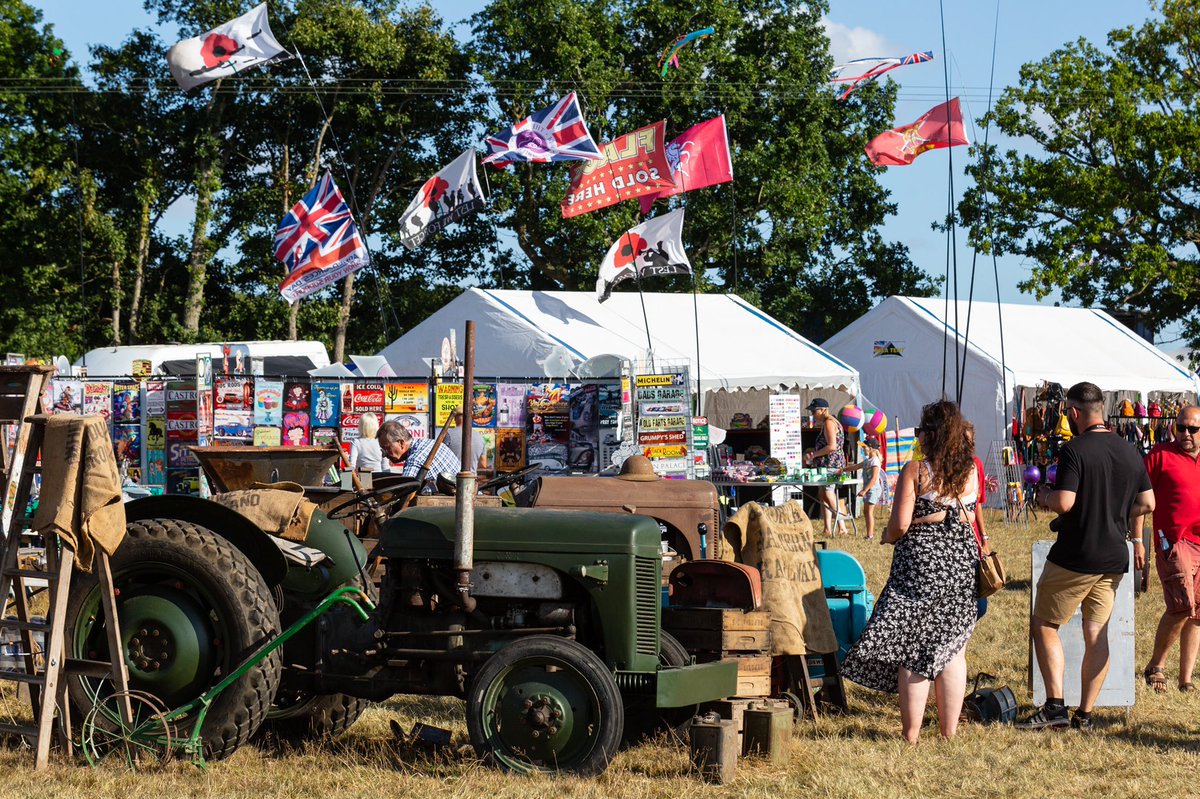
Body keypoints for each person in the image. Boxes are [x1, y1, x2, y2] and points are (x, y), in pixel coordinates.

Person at [1018, 382, 1154, 731]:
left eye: (1066, 411)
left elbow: (1064, 501)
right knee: (1098, 634)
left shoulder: (1074, 450)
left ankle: (1055, 707)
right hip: (1112, 557)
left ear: (1074, 412)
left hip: (1075, 555)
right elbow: (1148, 503)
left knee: (1045, 625)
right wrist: (1119, 515)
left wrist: (1043, 495)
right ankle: (1086, 715)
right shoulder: (1129, 450)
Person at [841, 400, 979, 743]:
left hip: (920, 565)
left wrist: (888, 536)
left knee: (914, 648)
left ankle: (912, 735)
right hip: (961, 564)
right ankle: (949, 733)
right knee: (952, 648)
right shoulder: (972, 471)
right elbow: (972, 518)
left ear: (930, 435)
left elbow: (899, 525)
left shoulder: (916, 470)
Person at [1136, 405, 1200, 694]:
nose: (1185, 434)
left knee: (1197, 613)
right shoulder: (1160, 455)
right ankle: (1156, 665)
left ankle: (1186, 680)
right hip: (1173, 540)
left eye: (1193, 429)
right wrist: (1138, 540)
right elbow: (1139, 500)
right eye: (1181, 427)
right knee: (1182, 605)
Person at [803, 398, 848, 536]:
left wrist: (814, 455)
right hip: (828, 464)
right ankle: (827, 529)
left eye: (814, 411)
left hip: (830, 464)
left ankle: (842, 527)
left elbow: (832, 446)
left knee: (828, 494)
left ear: (823, 410)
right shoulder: (831, 422)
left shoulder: (829, 423)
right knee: (823, 494)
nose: (812, 414)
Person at [376, 420, 461, 487]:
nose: (385, 455)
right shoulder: (429, 443)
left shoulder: (415, 459)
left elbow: (404, 491)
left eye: (387, 448)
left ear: (401, 443)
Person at [838, 435, 887, 540]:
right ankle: (869, 534)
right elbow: (855, 467)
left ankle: (870, 535)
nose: (863, 450)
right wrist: (843, 469)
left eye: (864, 447)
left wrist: (864, 490)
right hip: (869, 489)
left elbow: (874, 478)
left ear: (871, 448)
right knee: (866, 512)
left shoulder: (874, 461)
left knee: (869, 512)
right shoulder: (868, 461)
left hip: (873, 489)